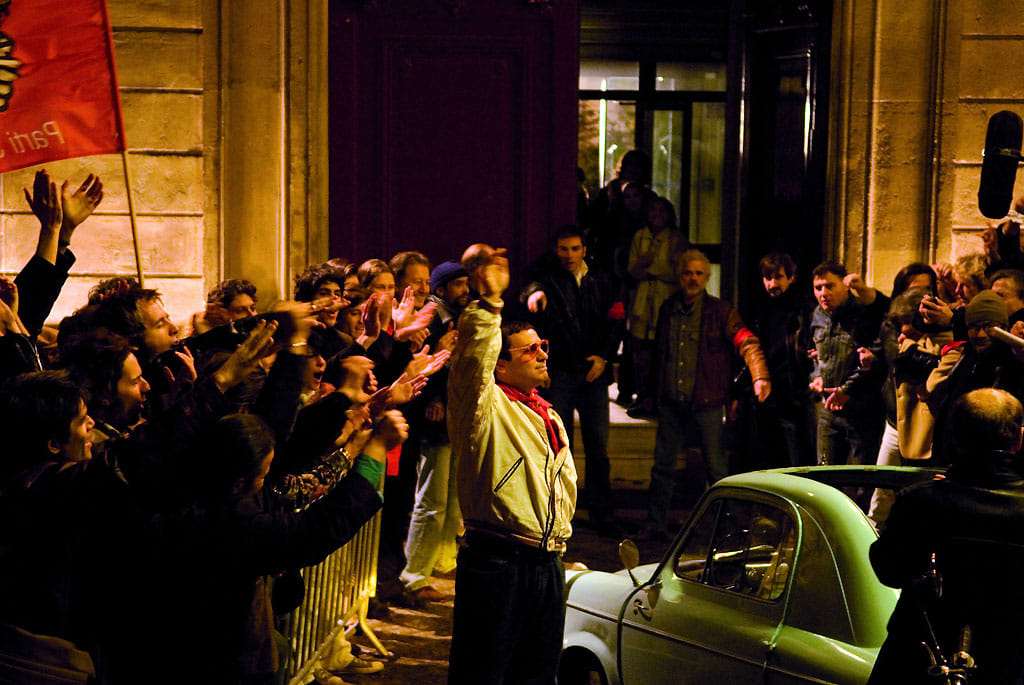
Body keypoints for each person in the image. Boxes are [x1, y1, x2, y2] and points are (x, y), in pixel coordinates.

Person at [447, 252, 577, 685]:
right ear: (500, 364)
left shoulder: (548, 413)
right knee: (483, 675)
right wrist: (488, 307)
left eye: (544, 346)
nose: (542, 355)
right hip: (498, 562)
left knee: (537, 675)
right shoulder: (483, 408)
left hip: (546, 562)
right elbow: (471, 362)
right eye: (530, 350)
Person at [868, 388, 1024, 684]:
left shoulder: (921, 502)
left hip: (920, 661)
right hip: (1005, 665)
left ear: (955, 436)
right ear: (1018, 440)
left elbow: (887, 570)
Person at [642, 248, 770, 540]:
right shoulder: (667, 309)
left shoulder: (720, 311)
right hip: (672, 402)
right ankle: (655, 524)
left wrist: (760, 375)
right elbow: (658, 354)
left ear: (707, 277)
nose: (693, 278)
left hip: (708, 402)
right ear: (679, 275)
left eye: (699, 273)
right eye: (688, 272)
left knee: (716, 469)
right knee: (662, 467)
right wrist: (650, 392)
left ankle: (727, 531)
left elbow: (747, 342)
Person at [523, 225, 623, 536]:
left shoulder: (601, 279)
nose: (569, 255)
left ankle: (602, 515)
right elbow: (531, 291)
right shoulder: (547, 278)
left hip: (593, 371)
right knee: (557, 447)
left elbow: (616, 323)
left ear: (584, 250)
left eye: (575, 249)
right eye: (564, 249)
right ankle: (557, 513)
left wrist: (604, 357)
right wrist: (544, 368)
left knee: (598, 448)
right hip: (561, 372)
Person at [808, 261, 890, 468]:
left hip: (861, 409)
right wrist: (817, 376)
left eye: (829, 286)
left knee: (861, 474)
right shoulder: (818, 314)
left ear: (845, 286)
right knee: (824, 472)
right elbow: (816, 354)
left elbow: (875, 359)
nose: (823, 293)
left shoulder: (864, 313)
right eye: (818, 288)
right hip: (829, 409)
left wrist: (847, 390)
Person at [749, 251, 815, 468]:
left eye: (778, 277)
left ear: (791, 277)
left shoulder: (804, 309)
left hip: (795, 396)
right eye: (767, 278)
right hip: (767, 397)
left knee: (798, 461)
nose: (772, 284)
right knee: (769, 461)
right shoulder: (760, 310)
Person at [626, 196, 687, 416]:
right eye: (653, 210)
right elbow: (633, 269)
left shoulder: (676, 239)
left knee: (662, 355)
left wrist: (649, 266)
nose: (657, 215)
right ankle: (643, 398)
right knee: (640, 355)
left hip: (664, 301)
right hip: (642, 304)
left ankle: (660, 401)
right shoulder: (640, 236)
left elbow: (677, 272)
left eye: (662, 211)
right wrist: (646, 267)